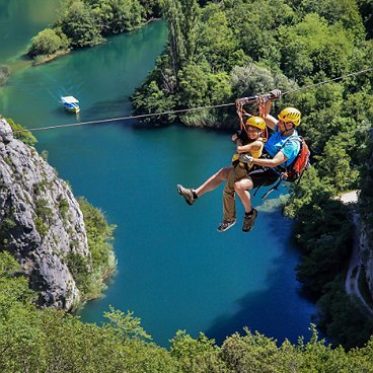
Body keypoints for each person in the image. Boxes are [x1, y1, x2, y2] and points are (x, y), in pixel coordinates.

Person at [177, 114, 267, 232]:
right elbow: (233, 138)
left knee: (228, 192)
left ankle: (229, 219)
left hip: (243, 169)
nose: (251, 132)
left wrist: (239, 138)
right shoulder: (250, 138)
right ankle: (193, 195)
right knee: (221, 173)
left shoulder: (258, 143)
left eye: (255, 131)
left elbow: (239, 149)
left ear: (261, 132)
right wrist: (237, 136)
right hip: (239, 166)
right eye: (249, 129)